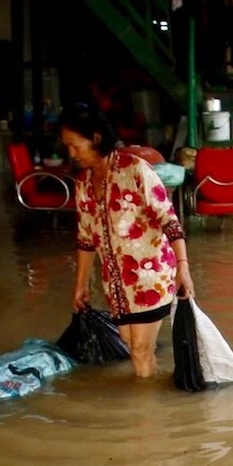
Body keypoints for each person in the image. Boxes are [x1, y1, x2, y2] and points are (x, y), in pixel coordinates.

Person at [59, 104, 195, 378]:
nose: (71, 154)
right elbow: (86, 240)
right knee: (133, 346)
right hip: (117, 287)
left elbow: (168, 218)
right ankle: (154, 391)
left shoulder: (134, 170)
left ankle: (147, 414)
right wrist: (81, 285)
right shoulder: (83, 183)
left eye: (75, 146)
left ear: (95, 138)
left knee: (141, 350)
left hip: (151, 278)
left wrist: (183, 267)